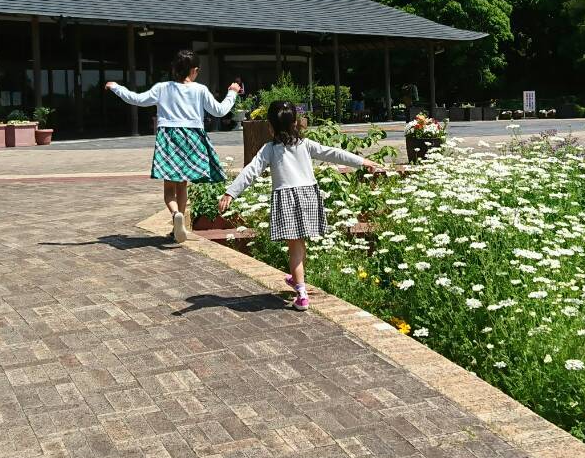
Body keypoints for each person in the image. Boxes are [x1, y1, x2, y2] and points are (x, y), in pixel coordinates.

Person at [217, 100, 385, 311]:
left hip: (286, 198)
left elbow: (251, 170)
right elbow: (333, 153)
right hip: (308, 196)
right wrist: (362, 162)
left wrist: (230, 192)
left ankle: (301, 294)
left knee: (295, 249)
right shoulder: (305, 145)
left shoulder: (269, 149)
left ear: (270, 126)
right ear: (296, 123)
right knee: (300, 245)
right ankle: (297, 281)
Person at [106, 50, 240, 242]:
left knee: (169, 188)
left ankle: (176, 214)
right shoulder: (199, 89)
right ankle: (181, 225)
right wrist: (232, 93)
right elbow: (219, 111)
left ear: (174, 69)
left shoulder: (162, 88)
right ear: (194, 70)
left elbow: (137, 99)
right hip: (192, 138)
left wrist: (116, 87)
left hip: (169, 139)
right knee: (182, 184)